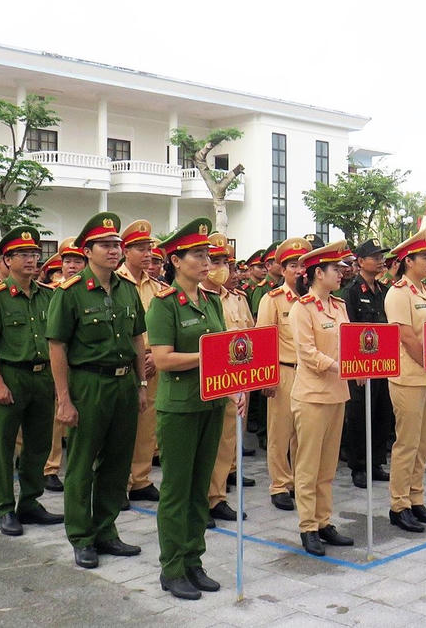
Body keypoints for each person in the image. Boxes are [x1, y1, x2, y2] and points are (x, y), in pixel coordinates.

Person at [47, 212, 147, 570]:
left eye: (116, 244)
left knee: (117, 462)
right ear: (87, 251)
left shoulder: (127, 289)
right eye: (105, 245)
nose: (114, 250)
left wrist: (141, 383)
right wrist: (64, 399)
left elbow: (137, 338)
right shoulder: (70, 292)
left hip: (124, 384)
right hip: (88, 384)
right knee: (81, 463)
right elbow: (57, 346)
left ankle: (106, 529)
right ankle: (81, 536)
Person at [145, 217, 225, 600]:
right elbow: (162, 359)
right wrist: (207, 356)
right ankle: (172, 567)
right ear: (176, 261)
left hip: (212, 402)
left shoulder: (211, 301)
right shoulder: (164, 304)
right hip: (179, 407)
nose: (206, 261)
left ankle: (194, 560)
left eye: (207, 254)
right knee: (177, 490)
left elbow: (226, 349)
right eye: (197, 254)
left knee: (199, 487)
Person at [0, 226, 65, 536]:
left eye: (34, 254)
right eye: (23, 254)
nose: (31, 259)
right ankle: (4, 508)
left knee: (39, 445)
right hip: (11, 376)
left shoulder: (49, 295)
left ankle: (29, 502)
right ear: (6, 260)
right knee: (3, 447)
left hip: (43, 378)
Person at [285, 240, 355, 555]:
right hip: (312, 395)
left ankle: (324, 521)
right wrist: (342, 366)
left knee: (327, 467)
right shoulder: (302, 308)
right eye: (335, 269)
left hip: (337, 393)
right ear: (318, 273)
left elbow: (349, 343)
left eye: (341, 269)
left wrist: (359, 364)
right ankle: (308, 526)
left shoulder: (339, 306)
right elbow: (308, 353)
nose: (341, 273)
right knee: (308, 465)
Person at [383, 227, 426, 533]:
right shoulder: (398, 293)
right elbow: (408, 338)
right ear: (408, 261)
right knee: (407, 443)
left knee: (423, 443)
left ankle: (416, 497)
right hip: (409, 376)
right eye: (424, 257)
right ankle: (399, 505)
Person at [255, 236, 312, 511]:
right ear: (283, 269)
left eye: (302, 266)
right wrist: (267, 377)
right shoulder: (273, 299)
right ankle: (279, 484)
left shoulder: (312, 301)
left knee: (304, 432)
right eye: (292, 266)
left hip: (309, 374)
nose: (298, 271)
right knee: (280, 432)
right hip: (283, 371)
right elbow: (263, 340)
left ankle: (300, 481)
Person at [203, 235, 255, 524]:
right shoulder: (196, 297)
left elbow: (250, 336)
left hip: (234, 381)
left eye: (225, 261)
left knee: (226, 443)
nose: (221, 268)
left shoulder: (237, 299)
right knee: (206, 445)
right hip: (207, 381)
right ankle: (200, 500)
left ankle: (217, 497)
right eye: (215, 261)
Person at [116, 219, 167, 505]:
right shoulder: (115, 283)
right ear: (126, 251)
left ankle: (141, 479)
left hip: (152, 361)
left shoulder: (157, 287)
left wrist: (155, 357)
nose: (148, 254)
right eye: (140, 249)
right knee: (123, 427)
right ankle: (119, 483)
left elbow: (162, 327)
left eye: (149, 248)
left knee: (147, 427)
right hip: (125, 363)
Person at [339, 238, 393, 489]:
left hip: (383, 362)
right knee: (359, 415)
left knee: (382, 412)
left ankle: (376, 462)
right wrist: (356, 365)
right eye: (375, 257)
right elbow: (348, 331)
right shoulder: (351, 291)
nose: (381, 261)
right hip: (361, 364)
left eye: (382, 257)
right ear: (360, 261)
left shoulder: (383, 291)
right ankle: (359, 466)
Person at [42, 237, 87, 493]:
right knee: (57, 415)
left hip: (83, 363)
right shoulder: (53, 292)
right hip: (59, 361)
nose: (72, 266)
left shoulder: (88, 292)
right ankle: (50, 467)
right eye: (67, 261)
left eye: (77, 261)